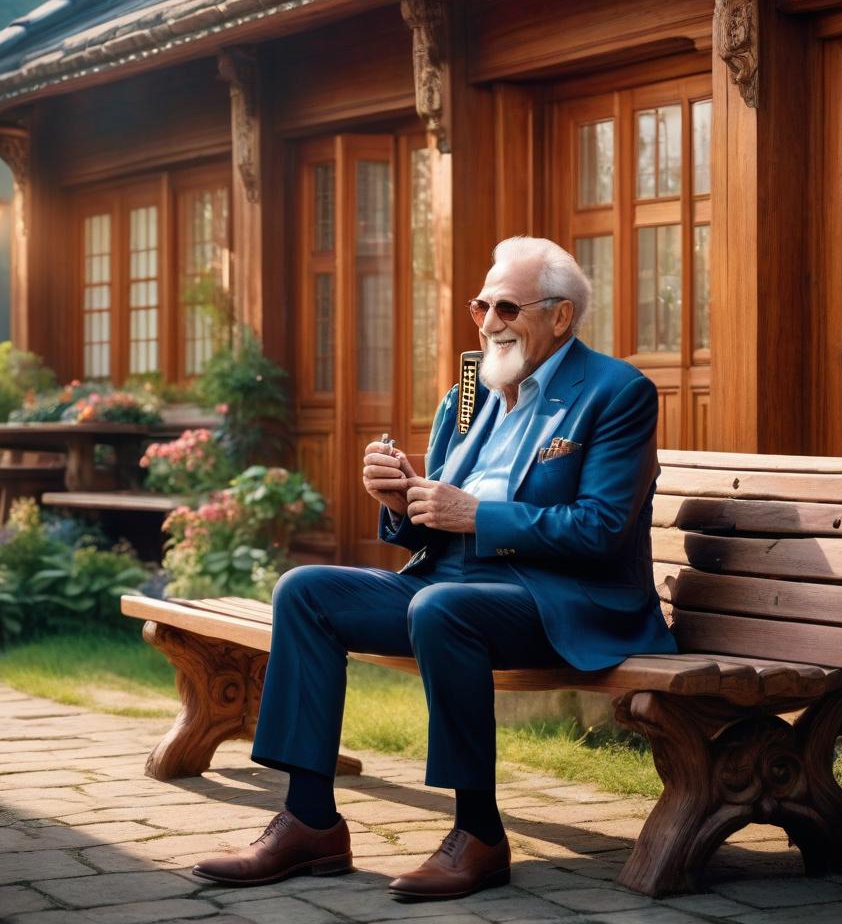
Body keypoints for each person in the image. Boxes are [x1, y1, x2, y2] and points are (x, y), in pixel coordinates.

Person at [191, 235, 676, 901]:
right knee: (305, 590)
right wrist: (401, 500)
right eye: (482, 306)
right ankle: (310, 822)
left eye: (508, 308)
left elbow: (598, 529)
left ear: (561, 317)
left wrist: (477, 516)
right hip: (448, 582)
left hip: (559, 597)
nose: (489, 323)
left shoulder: (616, 393)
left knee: (442, 610)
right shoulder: (472, 387)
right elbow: (437, 510)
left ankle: (478, 833)